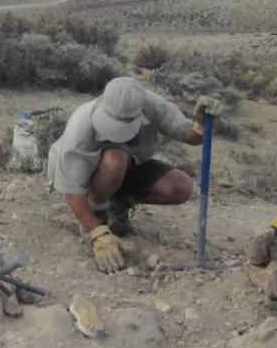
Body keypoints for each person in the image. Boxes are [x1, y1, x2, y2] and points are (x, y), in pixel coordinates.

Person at [46, 76, 222, 273]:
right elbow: (72, 188)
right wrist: (97, 232)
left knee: (181, 187)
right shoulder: (81, 125)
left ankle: (118, 204)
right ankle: (97, 214)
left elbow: (188, 135)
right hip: (86, 174)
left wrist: (201, 126)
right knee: (115, 159)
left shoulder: (153, 105)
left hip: (127, 167)